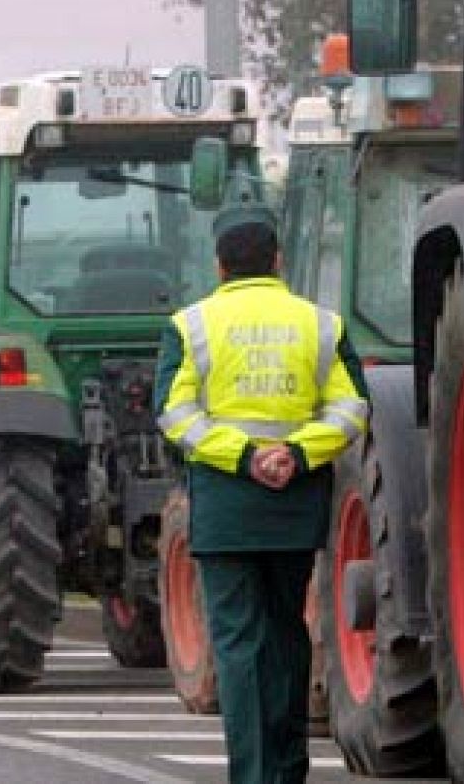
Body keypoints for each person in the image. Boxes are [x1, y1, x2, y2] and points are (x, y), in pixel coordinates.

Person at [155, 204, 368, 784]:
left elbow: (174, 414)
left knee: (237, 643)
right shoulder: (320, 324)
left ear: (220, 267)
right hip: (294, 505)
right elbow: (352, 409)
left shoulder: (191, 325)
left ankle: (251, 775)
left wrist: (242, 457)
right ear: (279, 262)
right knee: (287, 634)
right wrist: (294, 453)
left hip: (227, 508)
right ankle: (287, 769)